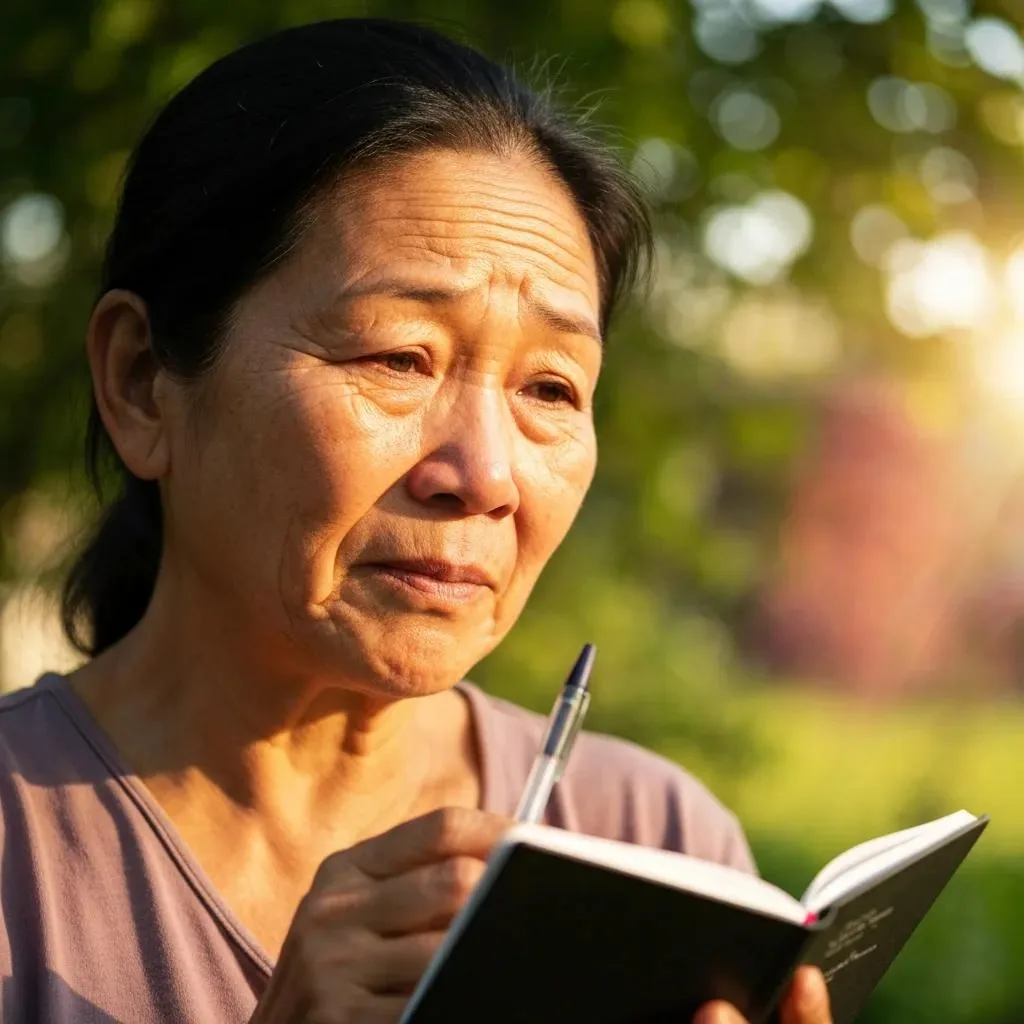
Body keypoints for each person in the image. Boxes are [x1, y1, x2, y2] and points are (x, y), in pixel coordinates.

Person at [0, 18, 832, 1024]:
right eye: (399, 357)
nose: (483, 474)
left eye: (551, 389)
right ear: (142, 383)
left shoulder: (653, 845)